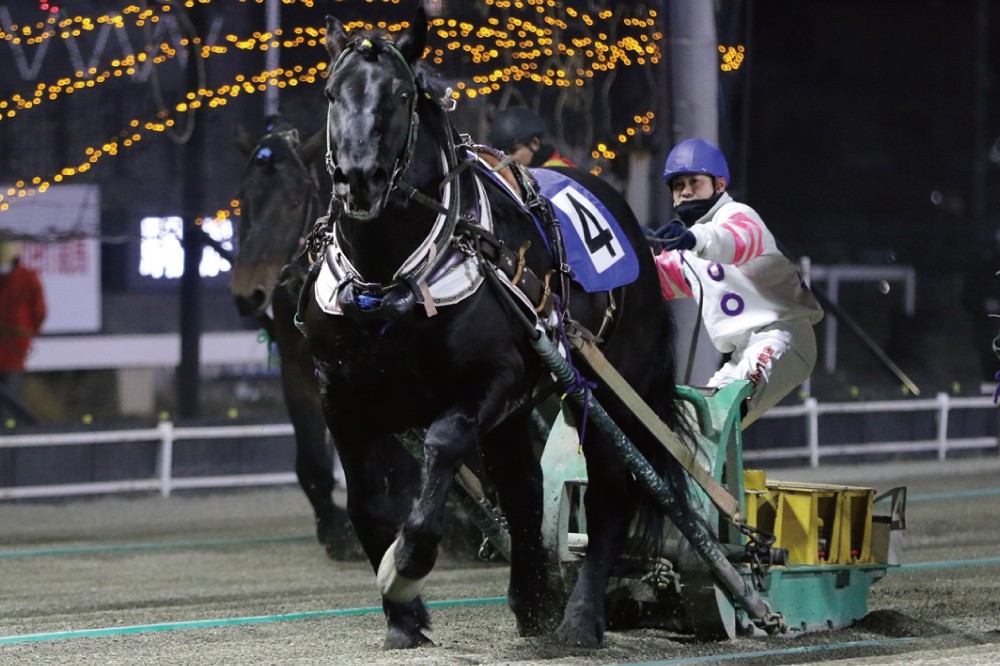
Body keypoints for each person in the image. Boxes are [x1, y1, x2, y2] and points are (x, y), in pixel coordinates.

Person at [651, 138, 823, 427]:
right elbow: (652, 280)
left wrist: (692, 239)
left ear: (720, 185)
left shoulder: (738, 216)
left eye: (695, 181)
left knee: (720, 417)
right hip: (743, 352)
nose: (686, 191)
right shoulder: (689, 253)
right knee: (695, 422)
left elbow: (734, 241)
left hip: (783, 337)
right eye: (678, 185)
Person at [0, 241, 47, 421]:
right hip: (9, 347)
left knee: (10, 402)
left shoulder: (27, 279)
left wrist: (25, 335)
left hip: (13, 351)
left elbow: (39, 312)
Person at [488, 106, 577, 168]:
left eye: (513, 151)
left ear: (535, 143)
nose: (507, 159)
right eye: (503, 153)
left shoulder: (559, 171)